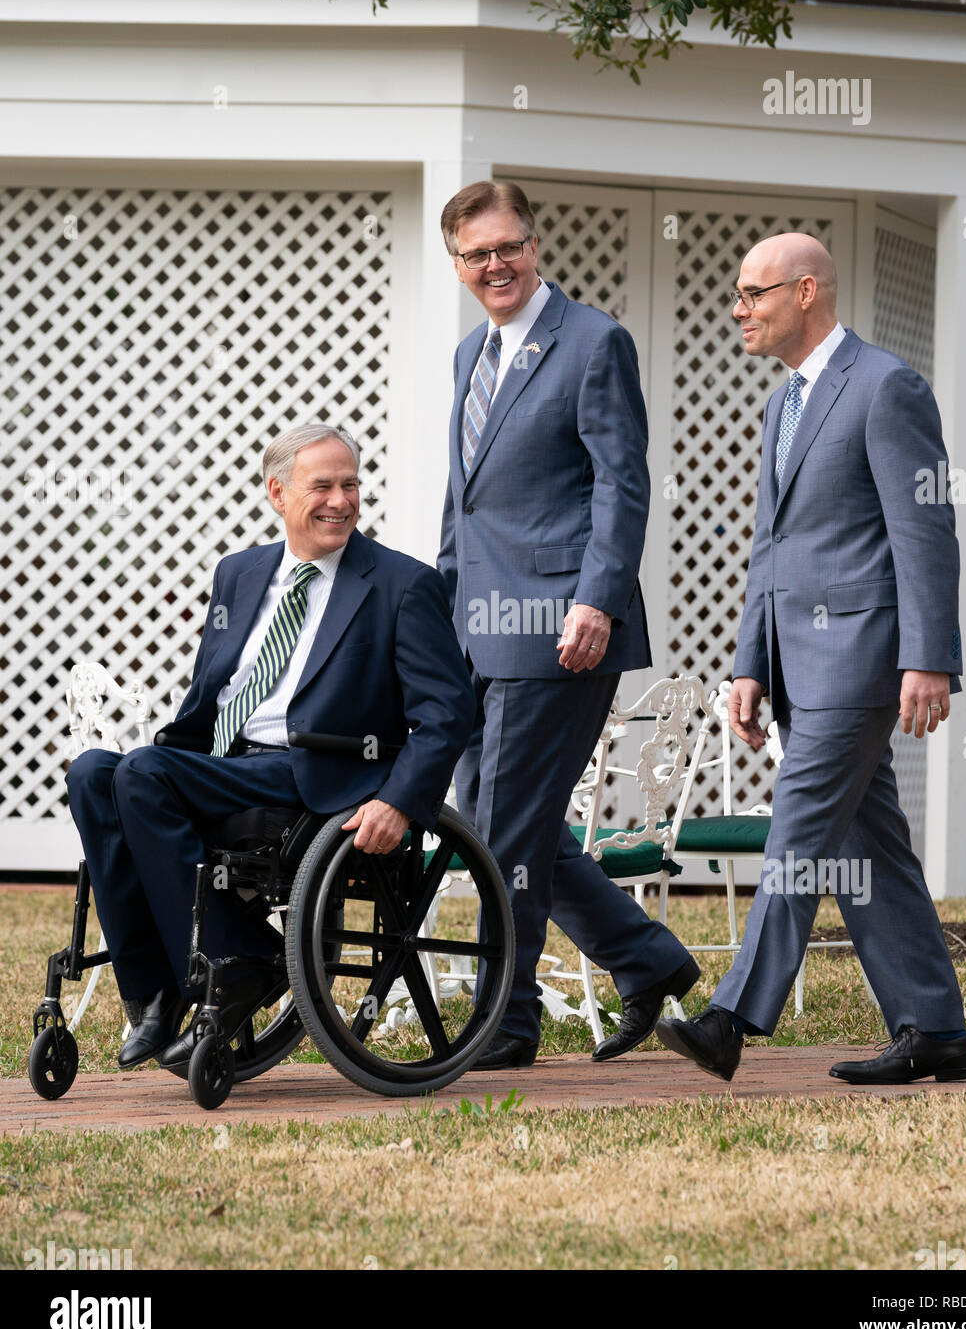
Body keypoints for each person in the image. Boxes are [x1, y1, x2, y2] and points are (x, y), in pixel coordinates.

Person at [656, 233, 966, 1085]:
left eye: (753, 293)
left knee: (797, 834)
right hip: (798, 665)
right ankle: (936, 1029)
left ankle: (730, 1020)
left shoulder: (886, 387)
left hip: (863, 660)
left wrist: (928, 656)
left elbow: (925, 533)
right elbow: (773, 548)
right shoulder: (782, 405)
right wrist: (749, 665)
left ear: (807, 292)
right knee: (871, 852)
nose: (738, 309)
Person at [66, 424, 474, 1069]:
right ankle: (152, 994)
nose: (341, 500)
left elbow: (449, 712)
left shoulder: (402, 585)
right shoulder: (240, 573)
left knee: (142, 772)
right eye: (323, 486)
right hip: (228, 763)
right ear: (278, 493)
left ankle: (241, 958)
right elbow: (211, 691)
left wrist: (400, 801)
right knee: (92, 771)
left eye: (350, 484)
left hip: (319, 774)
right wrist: (177, 755)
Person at [437, 180, 699, 1070]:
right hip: (476, 632)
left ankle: (503, 1025)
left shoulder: (593, 342)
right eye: (478, 254)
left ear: (534, 244)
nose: (496, 264)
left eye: (508, 245)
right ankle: (648, 959)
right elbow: (461, 510)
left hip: (559, 629)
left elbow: (623, 485)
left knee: (503, 830)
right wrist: (438, 623)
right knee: (507, 821)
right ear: (459, 266)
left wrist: (595, 597)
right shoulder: (470, 354)